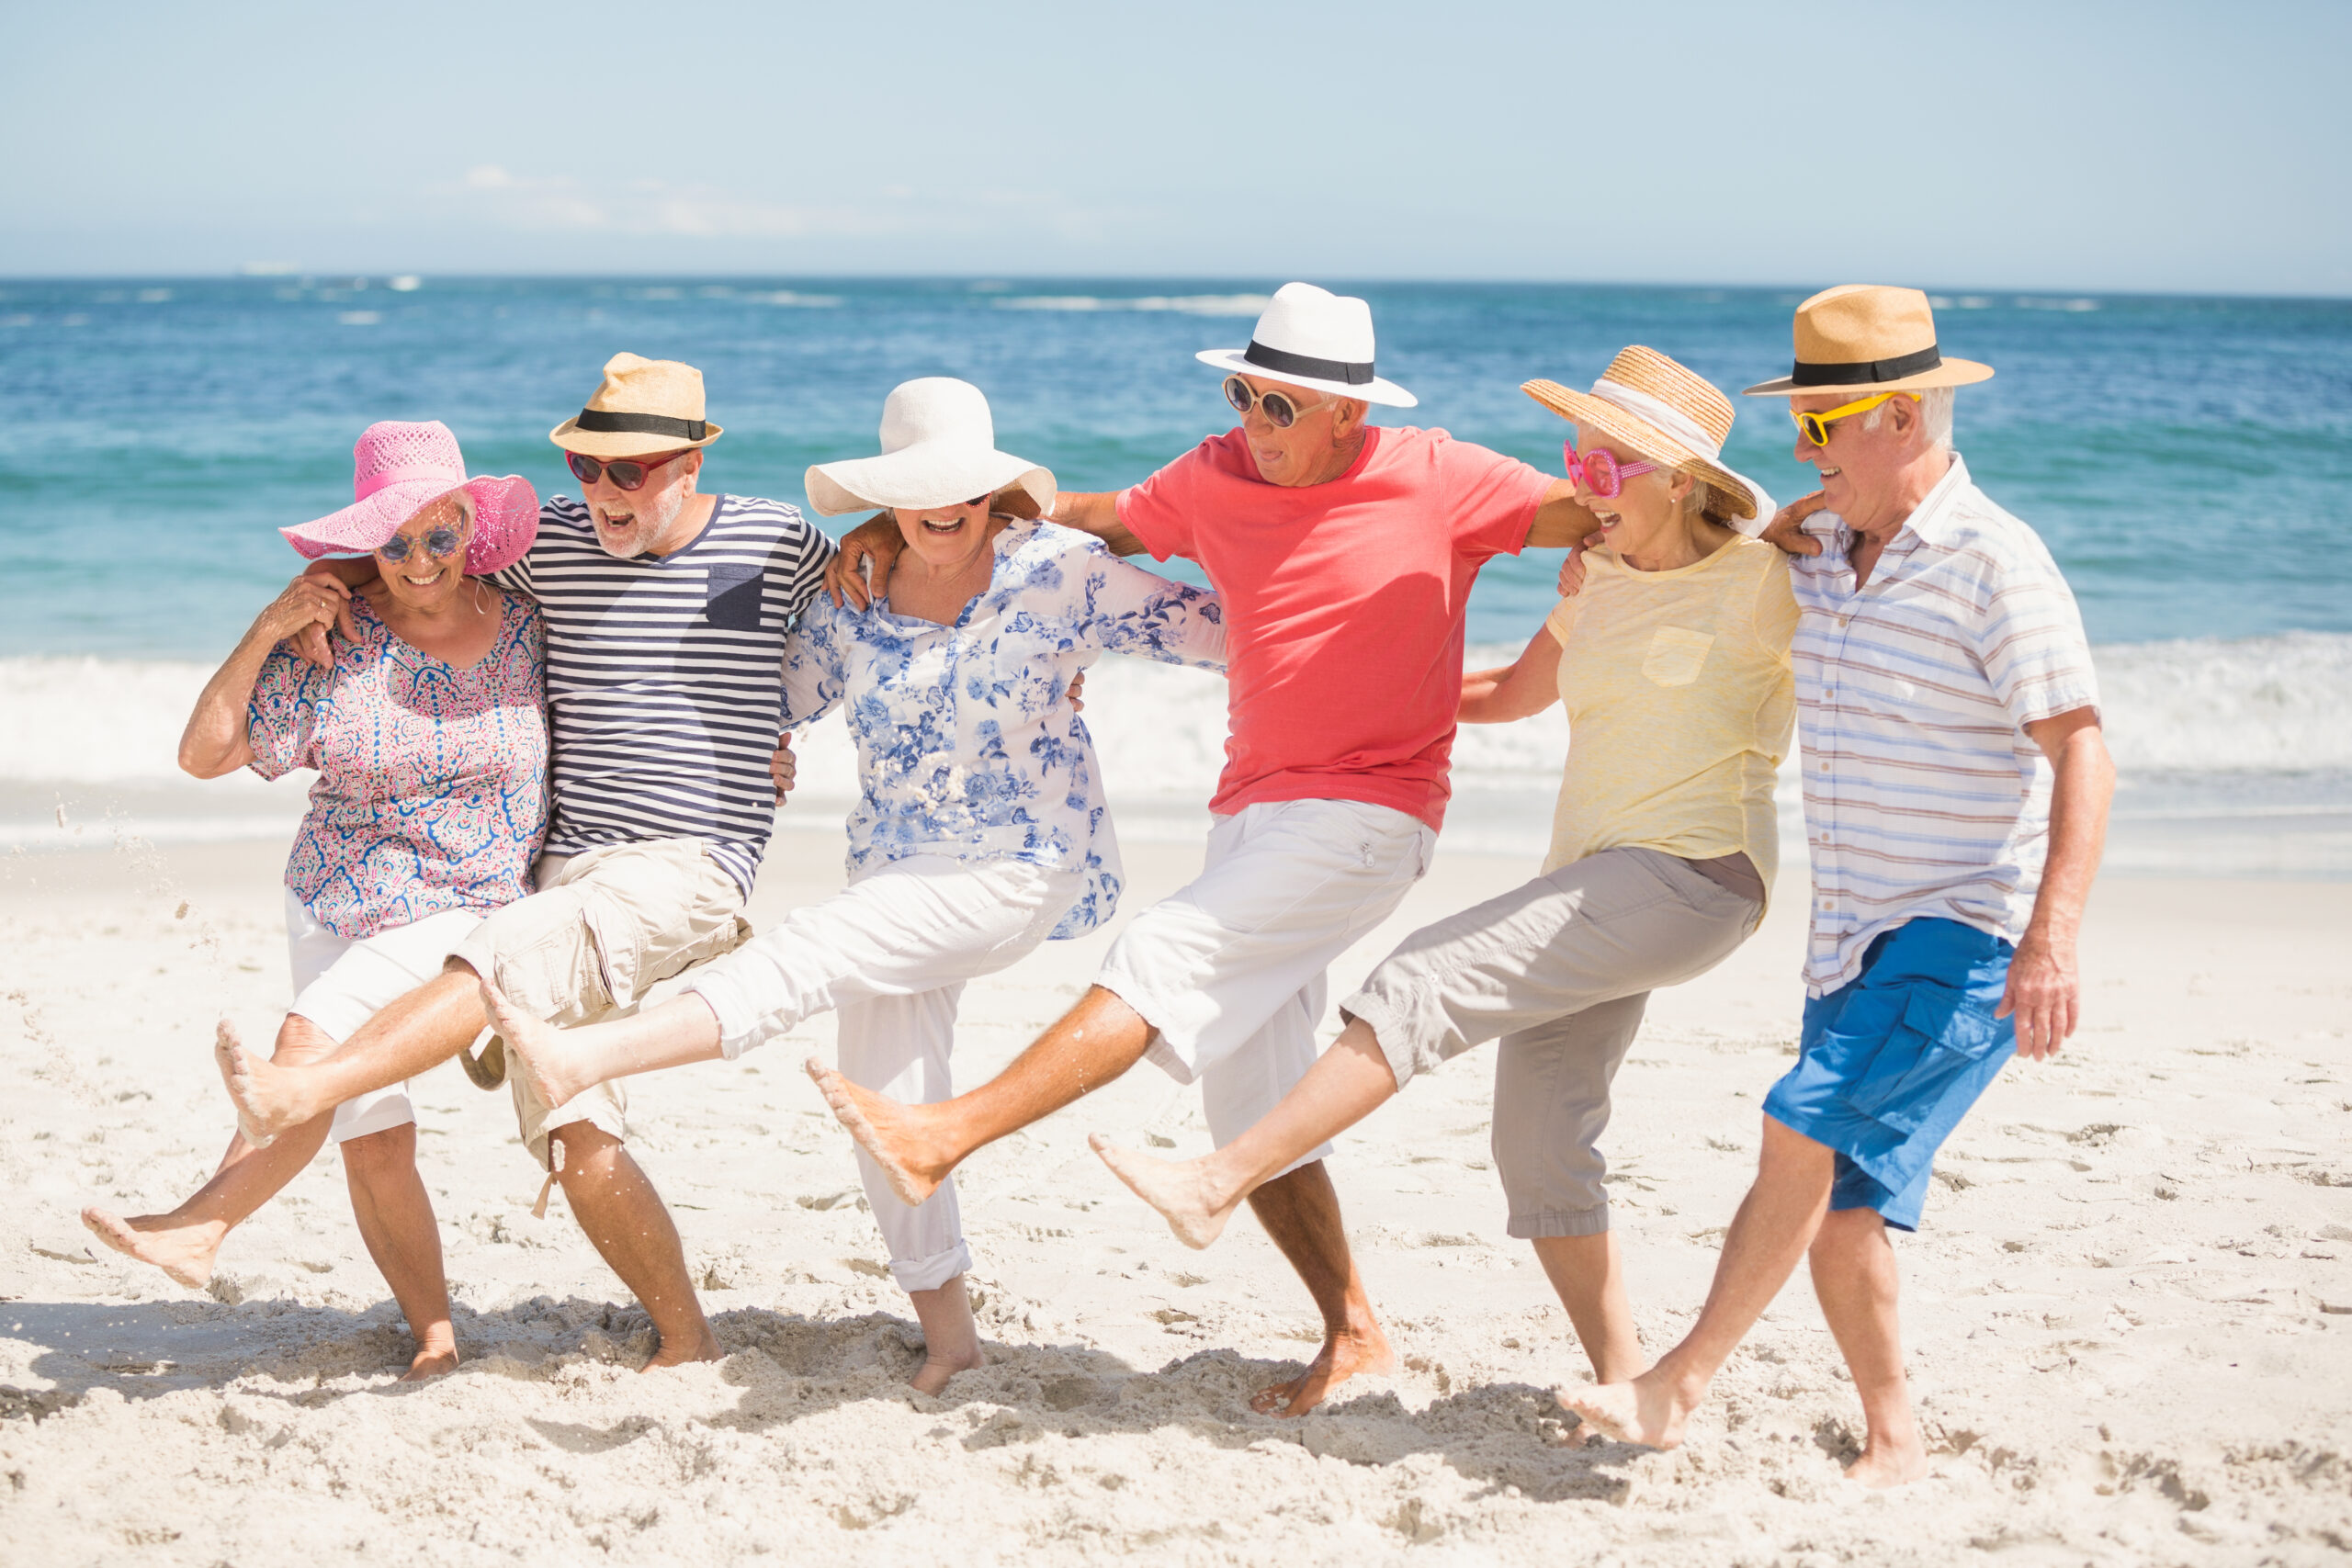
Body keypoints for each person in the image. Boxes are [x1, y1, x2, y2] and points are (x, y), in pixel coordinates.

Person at [809, 283, 1605, 1414]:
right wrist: (911, 519)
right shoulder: (1219, 473)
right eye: (1243, 394)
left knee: (1162, 955)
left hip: (1372, 814)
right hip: (1251, 809)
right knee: (1253, 1093)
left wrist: (1754, 534)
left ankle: (945, 1134)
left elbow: (1608, 520)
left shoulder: (1441, 475)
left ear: (1346, 414)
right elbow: (1090, 517)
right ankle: (1356, 1335)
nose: (1254, 424)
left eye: (1279, 406)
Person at [480, 378, 1227, 1394]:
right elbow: (759, 690)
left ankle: (585, 1056)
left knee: (814, 949)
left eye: (961, 485)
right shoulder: (855, 600)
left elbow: (1227, 634)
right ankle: (952, 1344)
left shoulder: (1061, 574)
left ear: (995, 487)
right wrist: (760, 750)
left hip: (1019, 862)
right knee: (886, 1107)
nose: (941, 506)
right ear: (888, 499)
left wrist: (1402, 680)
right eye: (915, 491)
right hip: (894, 866)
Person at [1092, 347, 1795, 1392]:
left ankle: (1217, 1179)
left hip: (1697, 872)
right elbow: (1509, 696)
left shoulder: (1761, 581)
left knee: (1421, 978)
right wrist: (1353, 677)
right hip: (1595, 878)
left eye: (1606, 471)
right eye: (1576, 463)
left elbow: (1866, 597)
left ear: (1680, 480)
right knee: (1541, 1143)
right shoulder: (1595, 582)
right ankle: (1629, 1389)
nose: (1579, 490)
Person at [1563, 286, 2115, 1487]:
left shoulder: (1995, 563)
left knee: (1794, 1123)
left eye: (1825, 424)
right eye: (1800, 425)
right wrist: (1595, 552)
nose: (1802, 449)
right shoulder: (1814, 550)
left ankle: (1675, 1384)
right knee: (1844, 1211)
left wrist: (2053, 938)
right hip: (1850, 945)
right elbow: (1700, 531)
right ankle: (1896, 1436)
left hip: (1962, 933)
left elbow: (2083, 746)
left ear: (1905, 415)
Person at [215, 353, 837, 1370]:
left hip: (687, 864)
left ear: (687, 464)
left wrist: (797, 715)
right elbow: (424, 567)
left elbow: (876, 611)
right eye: (585, 466)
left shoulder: (778, 542)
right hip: (559, 870)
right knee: (571, 1120)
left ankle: (302, 1093)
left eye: (626, 472)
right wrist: (319, 593)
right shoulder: (545, 542)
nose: (600, 490)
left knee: (499, 952)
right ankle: (687, 1341)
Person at [83, 421, 545, 1380]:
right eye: (397, 542)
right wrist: (265, 627)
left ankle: (202, 1225)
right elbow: (203, 756)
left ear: (469, 524)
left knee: (307, 1049)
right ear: (370, 543)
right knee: (371, 1136)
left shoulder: (528, 622)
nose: (420, 563)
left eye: (439, 536)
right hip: (336, 896)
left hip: (470, 895)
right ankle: (435, 1333)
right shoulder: (334, 637)